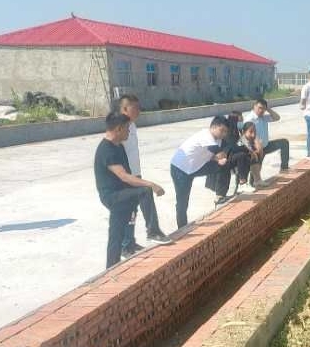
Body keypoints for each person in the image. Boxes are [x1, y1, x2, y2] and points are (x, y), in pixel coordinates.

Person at [94, 113, 166, 268]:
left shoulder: (119, 146)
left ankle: (111, 268)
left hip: (123, 194)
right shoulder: (107, 150)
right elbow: (124, 176)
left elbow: (127, 175)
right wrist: (151, 184)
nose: (129, 132)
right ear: (118, 129)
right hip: (112, 196)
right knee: (145, 190)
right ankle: (153, 231)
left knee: (116, 235)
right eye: (127, 128)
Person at [118, 95, 170, 259]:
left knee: (133, 210)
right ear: (125, 109)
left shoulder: (132, 125)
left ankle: (129, 243)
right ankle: (148, 234)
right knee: (139, 201)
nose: (139, 111)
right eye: (135, 108)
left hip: (135, 172)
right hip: (126, 177)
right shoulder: (119, 127)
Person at [170, 116, 230, 228]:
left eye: (226, 132)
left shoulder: (218, 139)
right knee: (183, 200)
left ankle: (220, 196)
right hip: (180, 169)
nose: (224, 134)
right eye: (222, 130)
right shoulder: (205, 135)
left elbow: (215, 156)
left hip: (196, 167)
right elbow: (220, 154)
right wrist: (221, 157)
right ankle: (182, 227)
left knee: (224, 165)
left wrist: (220, 159)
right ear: (213, 127)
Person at [205, 111, 247, 204]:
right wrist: (245, 148)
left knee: (244, 157)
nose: (242, 121)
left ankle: (241, 184)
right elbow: (232, 145)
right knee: (241, 157)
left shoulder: (236, 128)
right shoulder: (230, 129)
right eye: (241, 119)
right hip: (223, 157)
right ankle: (221, 195)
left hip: (228, 155)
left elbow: (241, 142)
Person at [243, 99, 290, 175]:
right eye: (259, 108)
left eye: (264, 109)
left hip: (266, 146)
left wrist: (268, 109)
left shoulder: (263, 117)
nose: (261, 110)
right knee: (256, 172)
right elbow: (244, 137)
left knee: (284, 143)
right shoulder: (250, 119)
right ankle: (251, 180)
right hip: (256, 149)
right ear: (254, 107)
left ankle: (284, 168)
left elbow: (277, 118)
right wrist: (253, 150)